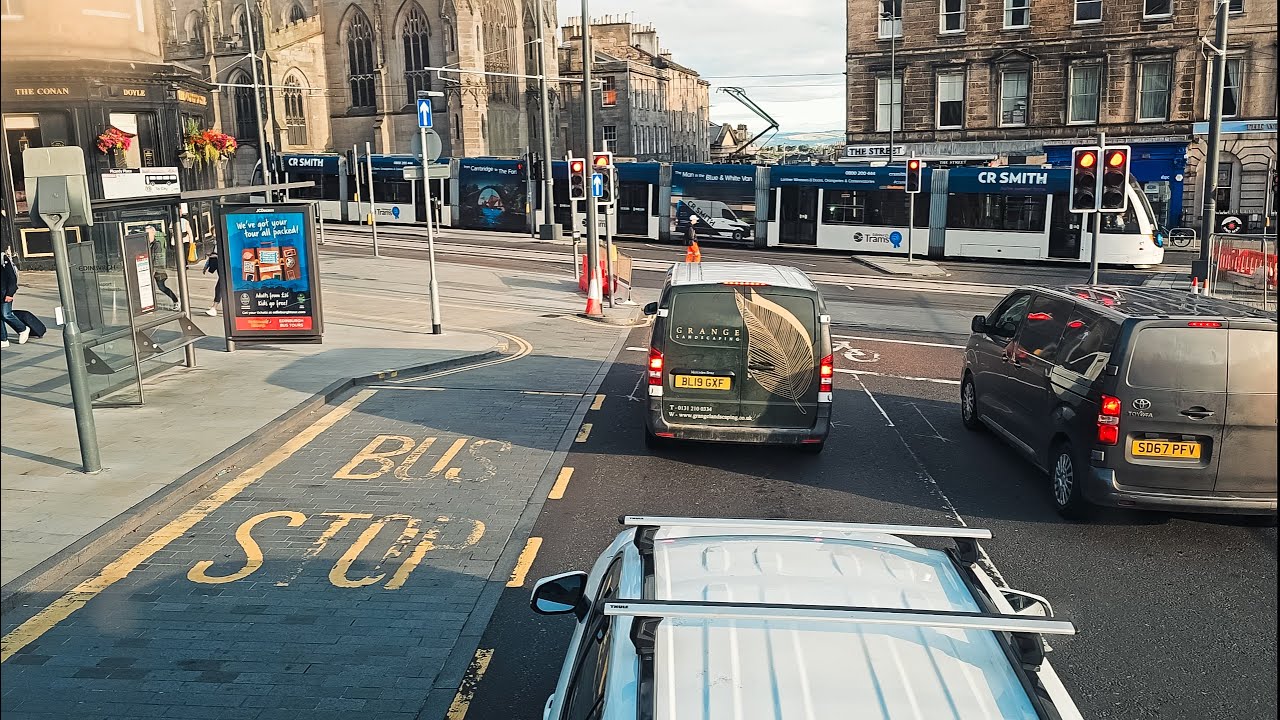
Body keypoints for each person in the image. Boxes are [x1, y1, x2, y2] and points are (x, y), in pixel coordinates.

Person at [147, 225, 180, 309]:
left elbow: (157, 258)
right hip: (147, 269)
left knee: (161, 287)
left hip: (158, 270)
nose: (147, 235)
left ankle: (175, 300)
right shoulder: (145, 244)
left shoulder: (156, 244)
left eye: (148, 233)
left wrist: (154, 270)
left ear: (153, 233)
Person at [2, 247, 30, 348]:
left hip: (4, 292)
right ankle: (3, 339)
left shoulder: (2, 258)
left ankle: (22, 329)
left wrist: (10, 293)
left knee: (6, 314)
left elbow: (12, 277)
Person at [203, 248, 222, 316]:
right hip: (219, 264)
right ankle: (214, 307)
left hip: (228, 265)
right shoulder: (217, 240)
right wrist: (207, 265)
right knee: (221, 287)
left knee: (220, 287)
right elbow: (214, 252)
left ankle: (214, 307)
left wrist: (217, 256)